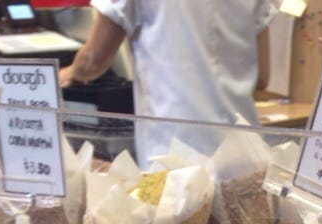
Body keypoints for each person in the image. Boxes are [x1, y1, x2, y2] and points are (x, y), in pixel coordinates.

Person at [59, 0, 276, 167]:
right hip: (242, 151)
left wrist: (67, 74)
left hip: (174, 154)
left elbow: (92, 62)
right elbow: (262, 77)